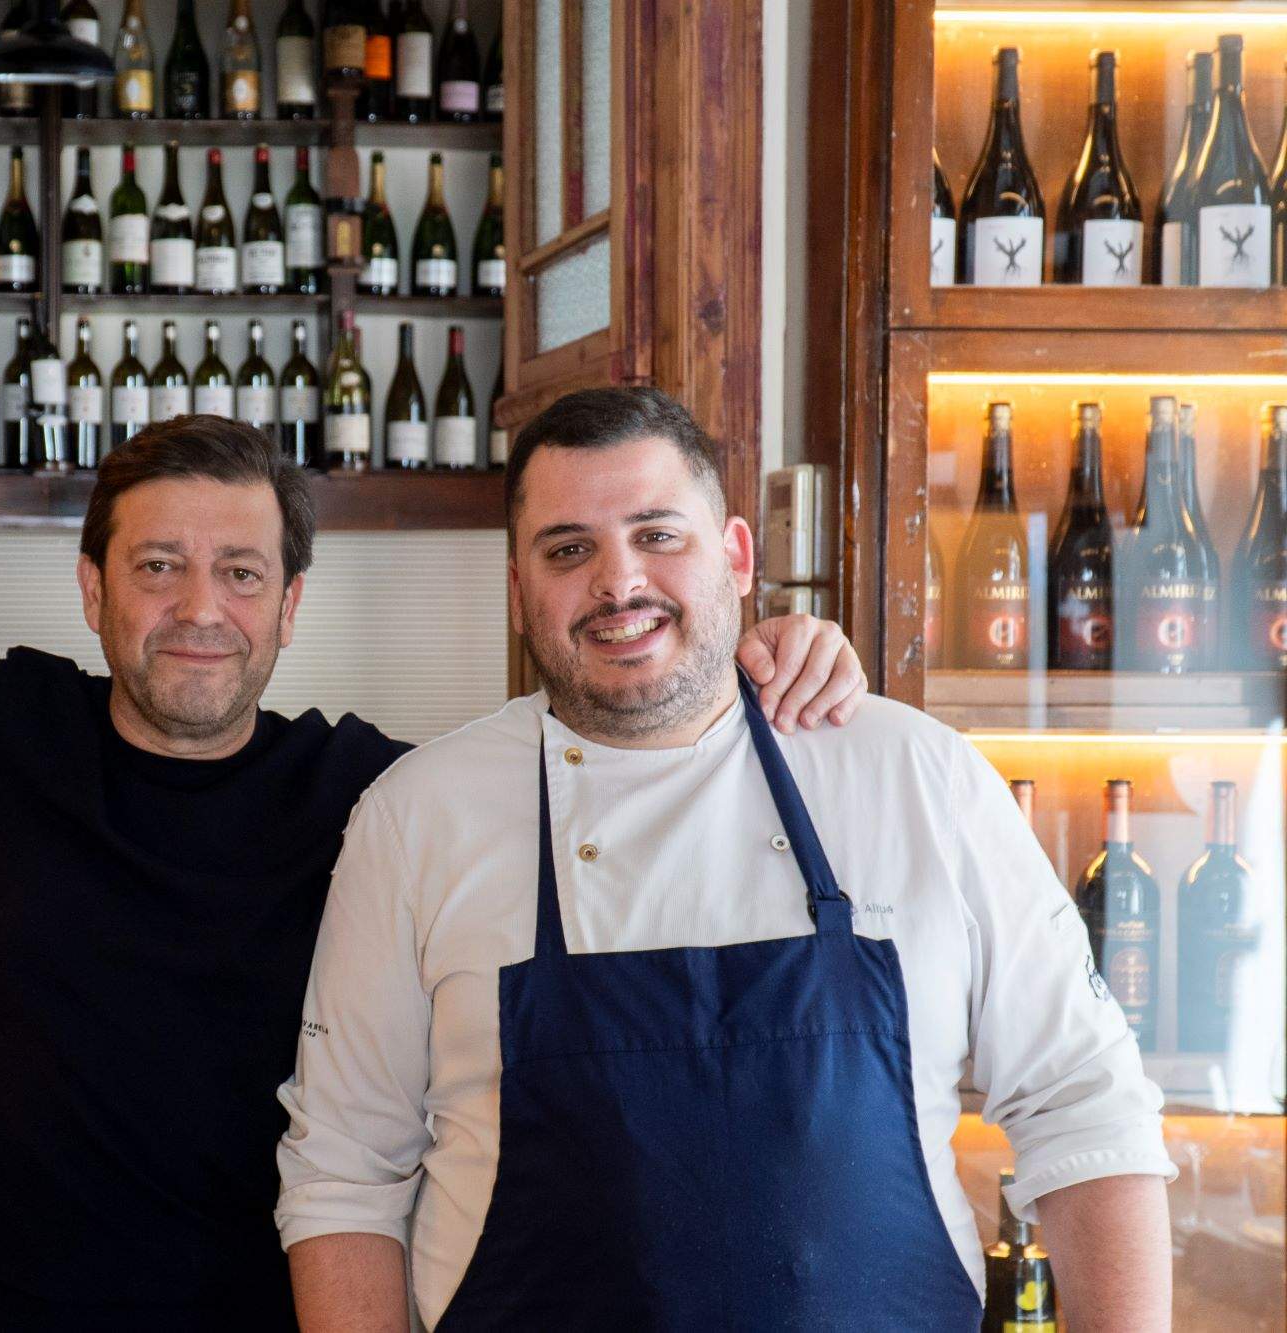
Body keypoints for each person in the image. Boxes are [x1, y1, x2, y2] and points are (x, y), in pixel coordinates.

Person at [0, 192, 870, 1330]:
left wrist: (759, 654)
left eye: (241, 572)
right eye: (158, 567)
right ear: (92, 589)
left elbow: (628, 766)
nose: (201, 607)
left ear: (290, 604)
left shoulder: (378, 792)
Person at [276, 386, 1178, 1331]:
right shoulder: (417, 818)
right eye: (568, 549)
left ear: (738, 556)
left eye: (659, 534)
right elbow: (343, 1178)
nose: (618, 582)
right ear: (516, 589)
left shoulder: (912, 772)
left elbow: (1086, 1108)